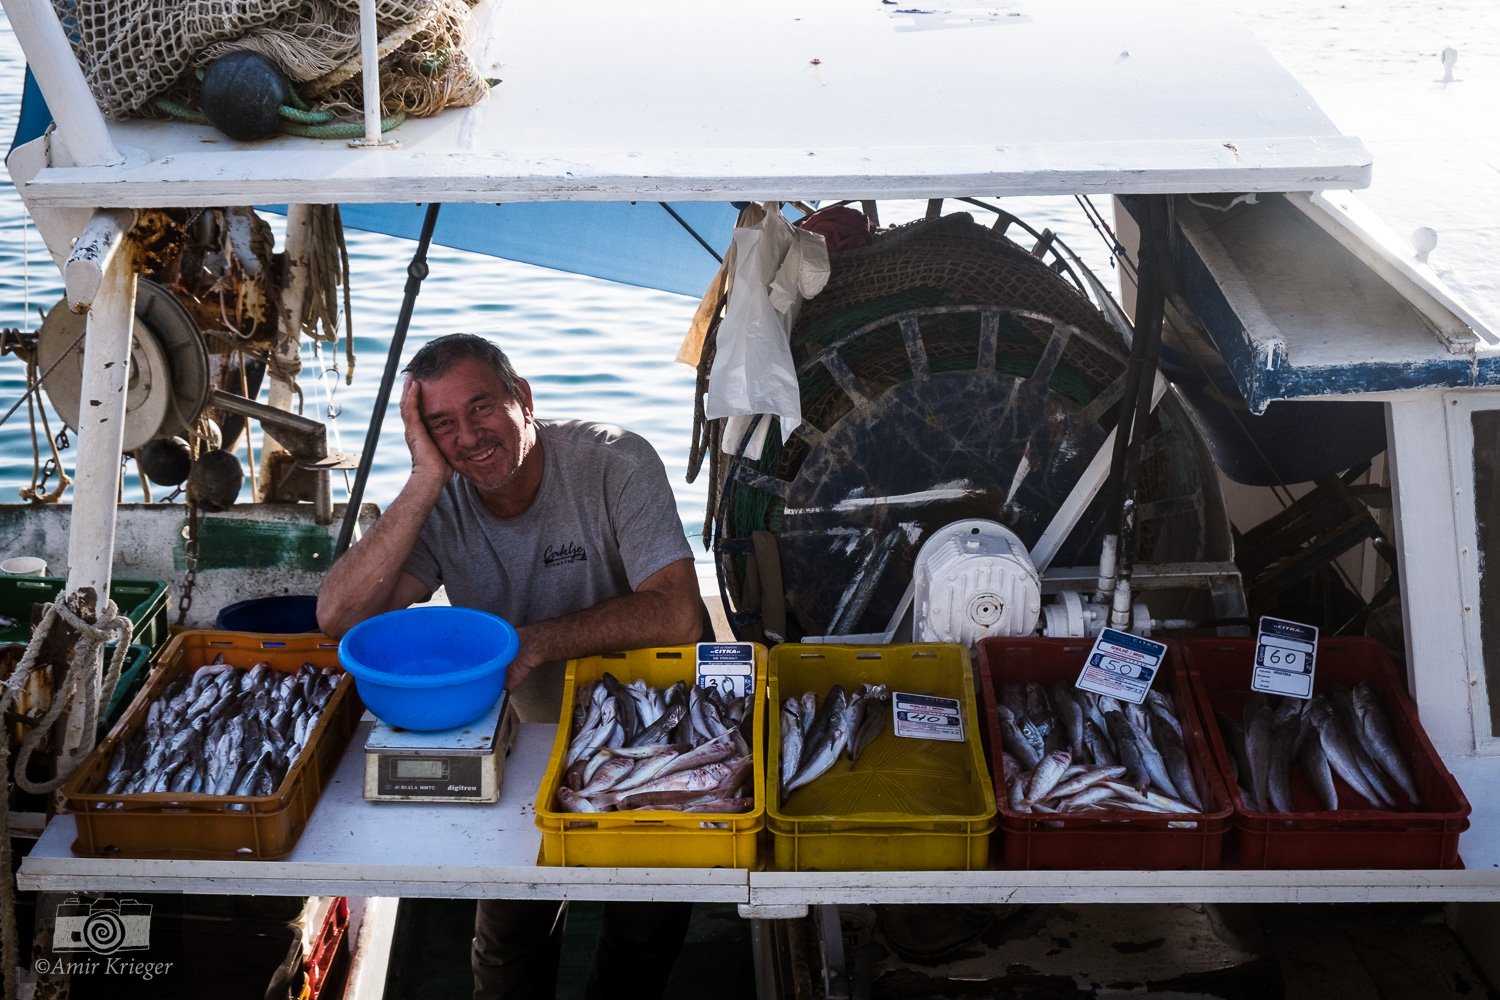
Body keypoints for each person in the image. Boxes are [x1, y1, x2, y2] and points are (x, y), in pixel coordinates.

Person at [317, 333, 705, 999]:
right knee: (506, 947)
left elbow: (678, 615)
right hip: (520, 746)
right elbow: (339, 620)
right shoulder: (441, 497)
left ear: (522, 398)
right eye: (443, 425)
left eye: (482, 409)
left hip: (651, 741)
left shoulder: (616, 460)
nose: (469, 438)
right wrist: (425, 477)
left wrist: (537, 641)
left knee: (642, 940)